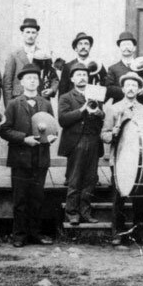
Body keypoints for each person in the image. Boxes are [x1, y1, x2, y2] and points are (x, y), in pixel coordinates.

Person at [0, 63, 56, 247]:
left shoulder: (46, 103)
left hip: (40, 158)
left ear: (38, 82)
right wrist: (24, 139)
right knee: (20, 198)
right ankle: (19, 235)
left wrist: (52, 137)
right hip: (20, 158)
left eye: (35, 78)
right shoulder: (14, 104)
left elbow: (52, 127)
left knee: (37, 198)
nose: (32, 81)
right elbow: (5, 130)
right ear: (22, 82)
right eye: (28, 78)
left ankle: (35, 233)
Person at [102, 72, 143, 246]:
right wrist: (112, 134)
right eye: (128, 85)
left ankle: (140, 232)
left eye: (134, 85)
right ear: (123, 89)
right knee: (119, 197)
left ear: (139, 89)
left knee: (141, 197)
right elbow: (104, 134)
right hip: (119, 159)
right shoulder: (113, 108)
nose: (131, 88)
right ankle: (118, 233)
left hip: (139, 160)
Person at [57, 62, 105, 225]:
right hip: (76, 141)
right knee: (75, 179)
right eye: (78, 74)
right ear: (71, 78)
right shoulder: (66, 97)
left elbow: (102, 118)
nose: (82, 77)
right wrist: (82, 109)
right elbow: (63, 120)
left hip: (93, 140)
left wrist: (100, 113)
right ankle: (72, 213)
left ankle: (85, 212)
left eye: (84, 74)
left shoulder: (96, 94)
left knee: (90, 179)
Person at [2, 18, 58, 104]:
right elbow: (7, 83)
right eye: (27, 32)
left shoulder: (44, 55)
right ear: (22, 33)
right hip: (19, 100)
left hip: (40, 99)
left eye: (33, 32)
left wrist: (52, 89)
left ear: (37, 34)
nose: (30, 35)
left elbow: (54, 78)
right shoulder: (13, 56)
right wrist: (9, 107)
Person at [58, 32, 108, 96]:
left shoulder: (98, 65)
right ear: (75, 48)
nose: (83, 47)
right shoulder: (68, 66)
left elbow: (105, 86)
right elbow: (62, 91)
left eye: (86, 44)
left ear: (90, 47)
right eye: (80, 44)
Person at [106, 31, 143, 104]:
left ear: (134, 48)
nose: (126, 47)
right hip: (120, 105)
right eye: (123, 45)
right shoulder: (113, 68)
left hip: (140, 104)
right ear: (120, 48)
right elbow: (109, 88)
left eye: (128, 44)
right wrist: (127, 90)